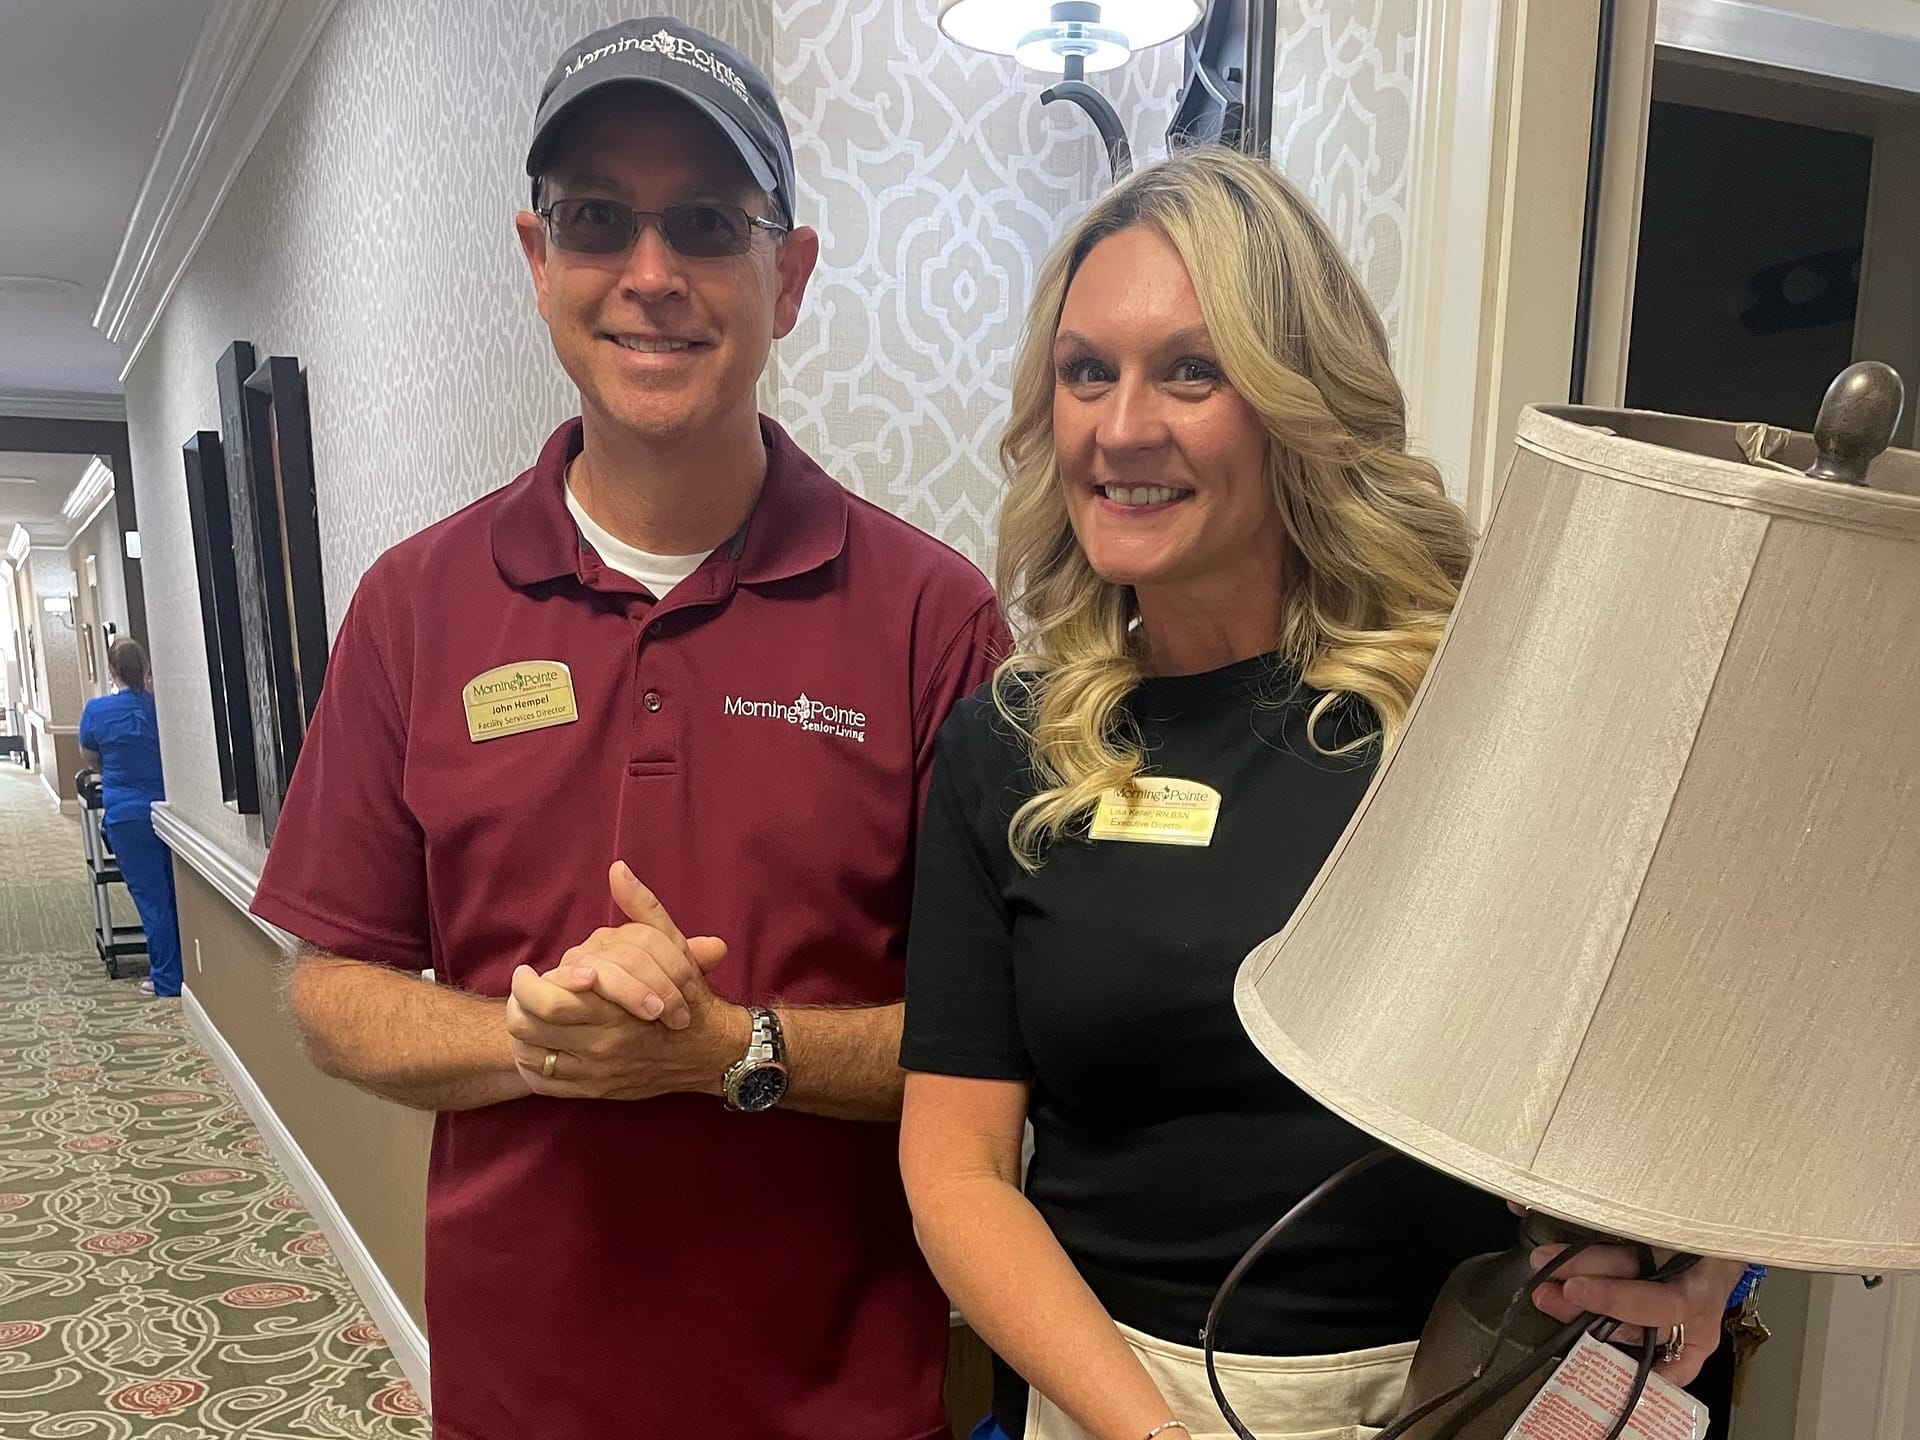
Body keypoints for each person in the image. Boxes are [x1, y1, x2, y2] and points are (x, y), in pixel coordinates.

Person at [898, 147, 1746, 1440]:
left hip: (1456, 1382)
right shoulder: (1005, 752)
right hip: (1121, 1396)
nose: (1122, 428)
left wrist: (1705, 1256)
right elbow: (955, 1172)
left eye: (1191, 368)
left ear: (1294, 401)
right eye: (1086, 372)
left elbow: (1689, 1061)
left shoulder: (1477, 710)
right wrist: (1148, 1432)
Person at [249, 18, 1007, 1440]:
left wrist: (735, 1049)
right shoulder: (414, 607)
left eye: (707, 225)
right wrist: (535, 1043)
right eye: (601, 219)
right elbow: (328, 988)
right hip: (526, 1398)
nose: (650, 276)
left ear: (788, 279)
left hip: (845, 1404)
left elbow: (993, 1047)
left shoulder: (932, 619)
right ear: (539, 262)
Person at [79, 638, 180, 998]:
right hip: (168, 812)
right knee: (174, 895)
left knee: (152, 899)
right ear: (146, 669)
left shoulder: (97, 711)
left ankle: (167, 978)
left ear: (112, 671)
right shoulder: (161, 708)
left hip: (126, 815)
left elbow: (91, 758)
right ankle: (183, 972)